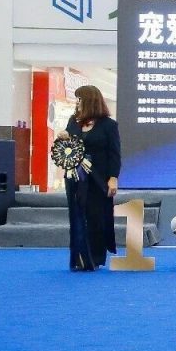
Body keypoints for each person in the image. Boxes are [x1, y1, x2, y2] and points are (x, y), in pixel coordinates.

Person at [58, 85, 121, 271]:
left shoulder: (109, 125)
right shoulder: (73, 122)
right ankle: (78, 258)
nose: (77, 102)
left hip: (98, 179)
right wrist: (63, 138)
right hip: (75, 178)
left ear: (90, 100)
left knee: (96, 217)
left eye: (79, 99)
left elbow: (115, 154)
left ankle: (95, 258)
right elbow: (69, 147)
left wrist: (113, 177)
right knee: (76, 217)